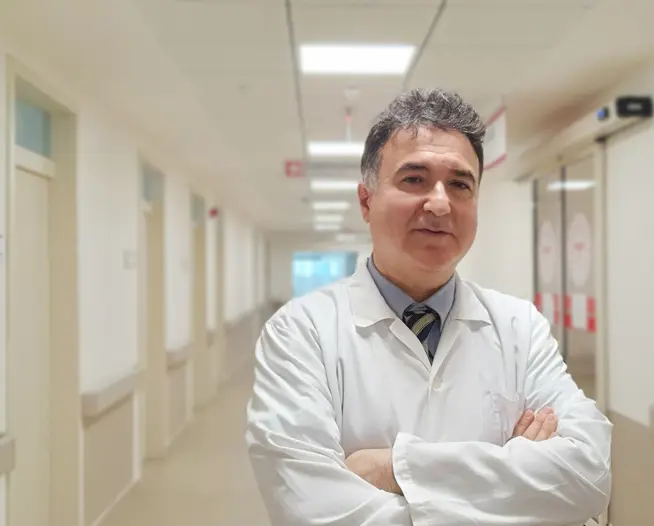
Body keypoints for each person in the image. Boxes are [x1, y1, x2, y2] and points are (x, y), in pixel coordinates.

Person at [245, 88, 612, 525]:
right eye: (414, 179)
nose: (439, 203)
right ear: (366, 201)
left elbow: (588, 475)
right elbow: (313, 512)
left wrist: (395, 468)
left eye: (460, 184)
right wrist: (514, 478)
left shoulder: (520, 326)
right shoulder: (300, 332)